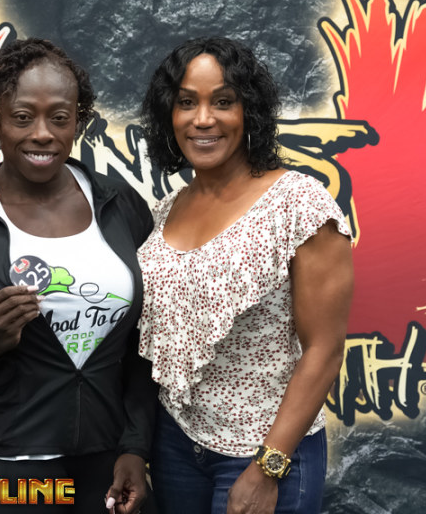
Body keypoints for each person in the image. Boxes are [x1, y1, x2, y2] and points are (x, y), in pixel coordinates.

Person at [0, 38, 156, 513]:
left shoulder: (121, 207)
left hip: (104, 465)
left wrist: (135, 446)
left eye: (59, 117)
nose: (42, 134)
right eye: (22, 117)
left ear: (78, 121)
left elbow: (147, 345)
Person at [136, 36, 354, 514]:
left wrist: (268, 468)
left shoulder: (298, 204)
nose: (203, 119)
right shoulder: (166, 210)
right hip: (176, 443)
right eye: (186, 102)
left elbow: (325, 349)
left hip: (265, 453)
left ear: (249, 112)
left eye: (223, 102)